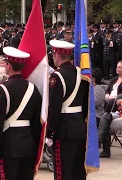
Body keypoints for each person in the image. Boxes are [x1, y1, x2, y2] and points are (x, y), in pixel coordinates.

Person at [0, 47, 42, 180]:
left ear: (8, 66)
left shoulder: (1, 90)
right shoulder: (32, 88)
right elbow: (37, 121)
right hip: (28, 143)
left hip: (8, 144)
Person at [46, 40, 89, 180]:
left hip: (63, 131)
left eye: (53, 56)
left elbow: (54, 108)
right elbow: (85, 103)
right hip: (79, 128)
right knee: (78, 171)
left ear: (57, 56)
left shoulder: (56, 77)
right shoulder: (81, 73)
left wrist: (50, 133)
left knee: (63, 172)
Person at [98, 61, 122, 158]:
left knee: (104, 117)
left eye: (120, 67)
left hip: (118, 107)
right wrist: (107, 95)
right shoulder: (114, 79)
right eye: (117, 67)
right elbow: (107, 90)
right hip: (110, 106)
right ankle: (103, 148)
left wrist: (116, 98)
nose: (117, 69)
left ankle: (101, 144)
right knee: (105, 117)